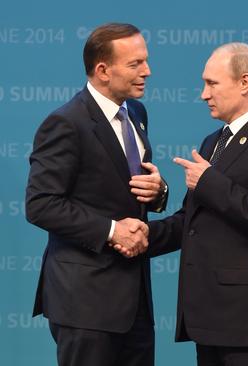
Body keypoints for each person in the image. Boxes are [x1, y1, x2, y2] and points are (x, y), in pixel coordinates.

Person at [147, 42, 248, 366]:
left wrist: (209, 182)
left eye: (212, 83)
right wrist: (138, 237)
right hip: (210, 320)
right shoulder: (212, 141)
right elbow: (191, 221)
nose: (204, 94)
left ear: (245, 82)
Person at [25, 23, 168, 366]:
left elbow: (130, 185)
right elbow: (41, 204)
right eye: (135, 64)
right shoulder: (65, 123)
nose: (147, 72)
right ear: (103, 70)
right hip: (85, 303)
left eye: (145, 61)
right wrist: (111, 230)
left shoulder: (137, 113)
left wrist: (159, 190)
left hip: (134, 301)